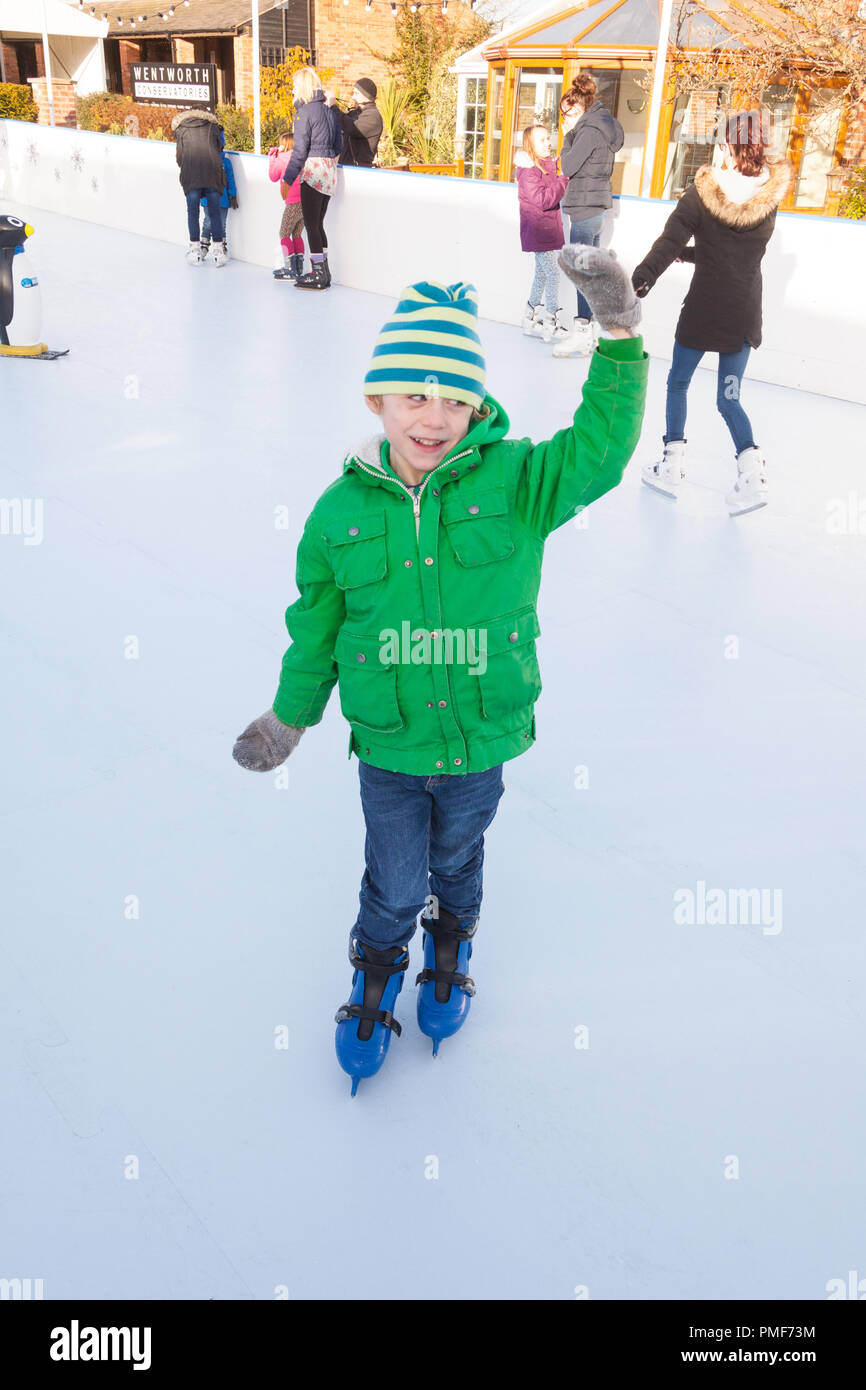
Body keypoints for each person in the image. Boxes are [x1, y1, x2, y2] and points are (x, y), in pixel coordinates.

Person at [231, 252, 647, 1094]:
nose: (435, 417)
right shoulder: (338, 513)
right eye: (415, 396)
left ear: (478, 407)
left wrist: (619, 334)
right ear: (377, 400)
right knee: (394, 879)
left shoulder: (518, 482)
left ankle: (451, 943)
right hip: (388, 746)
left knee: (457, 861)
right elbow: (315, 628)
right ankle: (376, 967)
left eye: (456, 398)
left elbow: (599, 456)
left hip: (481, 739)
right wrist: (290, 716)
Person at [632, 110, 793, 516]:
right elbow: (730, 251)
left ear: (726, 146)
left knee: (678, 383)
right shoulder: (768, 201)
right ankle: (753, 476)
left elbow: (669, 242)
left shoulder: (702, 194)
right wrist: (692, 255)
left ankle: (670, 466)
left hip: (704, 310)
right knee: (729, 398)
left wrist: (642, 278)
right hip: (743, 313)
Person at [554, 74, 623, 358]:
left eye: (566, 113)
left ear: (578, 109)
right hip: (593, 207)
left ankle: (583, 333)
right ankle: (591, 331)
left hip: (584, 208)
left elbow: (567, 166)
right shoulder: (601, 126)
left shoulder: (587, 131)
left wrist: (568, 135)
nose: (563, 119)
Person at [280, 66, 343, 291]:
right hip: (328, 172)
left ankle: (317, 274)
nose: (293, 90)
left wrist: (287, 180)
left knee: (311, 226)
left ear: (303, 87)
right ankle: (324, 273)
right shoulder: (329, 111)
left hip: (312, 172)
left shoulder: (304, 113)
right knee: (318, 224)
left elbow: (299, 151)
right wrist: (327, 161)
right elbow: (339, 145)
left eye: (295, 86)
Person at [514, 124, 570, 345]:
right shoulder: (528, 172)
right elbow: (543, 200)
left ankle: (529, 317)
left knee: (542, 274)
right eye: (541, 140)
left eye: (548, 138)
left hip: (545, 229)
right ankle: (551, 321)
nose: (547, 143)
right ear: (530, 146)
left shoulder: (546, 165)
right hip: (538, 230)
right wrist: (563, 179)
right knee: (553, 274)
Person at [171, 106, 227, 267]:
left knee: (193, 212)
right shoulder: (213, 127)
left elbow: (179, 156)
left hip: (191, 175)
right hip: (213, 174)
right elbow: (220, 147)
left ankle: (195, 251)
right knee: (215, 213)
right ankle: (218, 253)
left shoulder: (181, 129)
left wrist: (187, 166)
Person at [269, 132, 305, 282]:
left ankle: (289, 268)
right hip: (305, 201)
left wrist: (272, 156)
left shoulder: (282, 159)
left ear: (283, 144)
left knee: (284, 233)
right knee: (296, 234)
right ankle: (298, 269)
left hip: (292, 202)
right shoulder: (301, 157)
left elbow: (273, 176)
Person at [200, 132, 237, 263]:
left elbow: (231, 180)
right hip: (207, 199)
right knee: (209, 222)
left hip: (223, 199)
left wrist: (233, 194)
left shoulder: (226, 162)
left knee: (221, 224)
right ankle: (203, 247)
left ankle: (221, 248)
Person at [336, 78, 383, 167]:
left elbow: (351, 127)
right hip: (348, 167)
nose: (353, 97)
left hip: (360, 170)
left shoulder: (373, 116)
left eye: (356, 93)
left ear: (367, 97)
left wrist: (333, 107)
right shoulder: (357, 112)